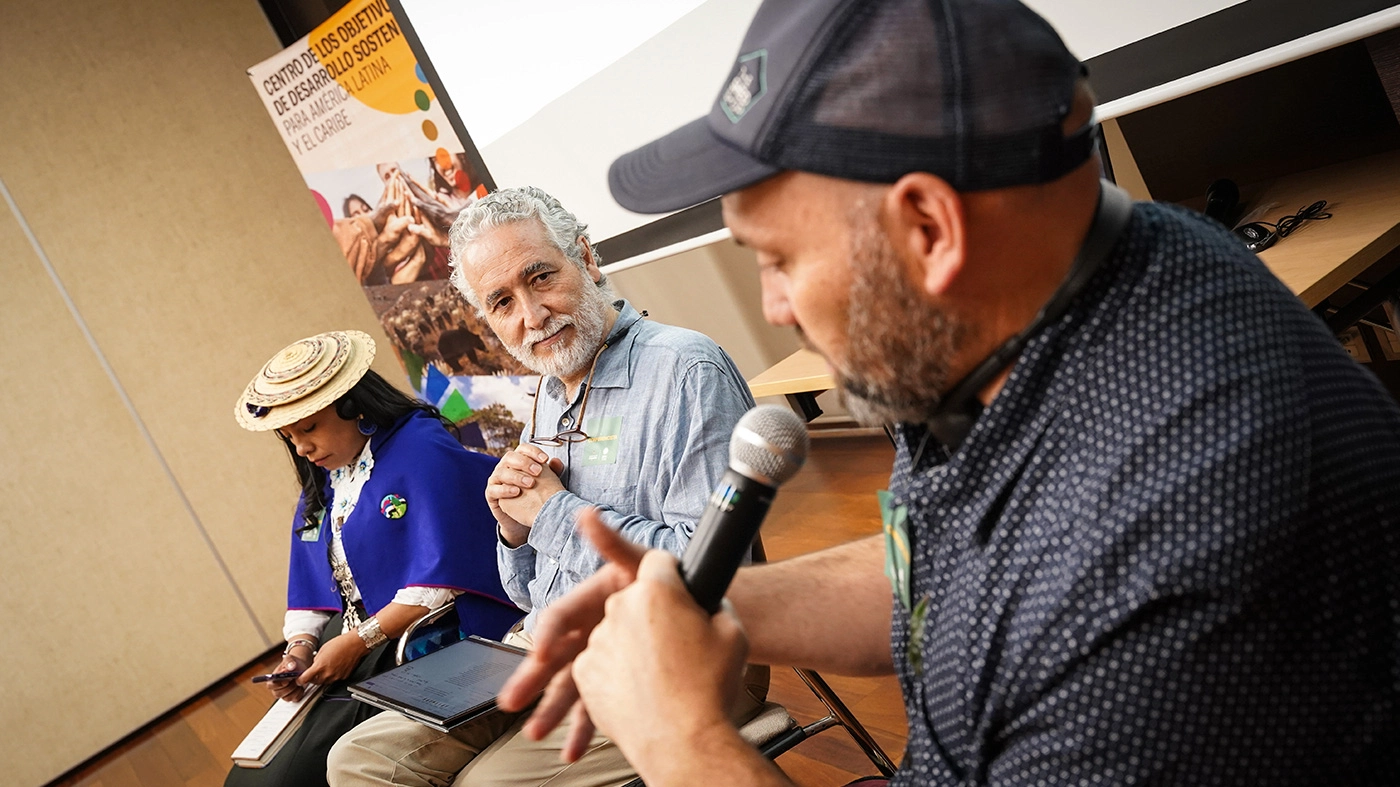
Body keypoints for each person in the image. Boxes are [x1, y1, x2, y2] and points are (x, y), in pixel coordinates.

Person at [495, 1, 1400, 785]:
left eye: (780, 260)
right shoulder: (1069, 290)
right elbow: (955, 567)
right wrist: (714, 604)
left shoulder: (1176, 574)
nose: (773, 309)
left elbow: (1065, 589)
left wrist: (681, 741)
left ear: (929, 227)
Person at [327, 187, 763, 787]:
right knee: (356, 761)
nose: (531, 317)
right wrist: (512, 530)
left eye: (540, 278)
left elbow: (712, 571)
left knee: (482, 784)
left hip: (677, 657)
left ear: (586, 258)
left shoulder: (686, 369)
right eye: (502, 302)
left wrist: (554, 512)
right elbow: (531, 591)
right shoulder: (550, 394)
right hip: (544, 647)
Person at [229, 330, 521, 787]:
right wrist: (298, 650)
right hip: (351, 639)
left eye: (309, 428)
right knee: (252, 779)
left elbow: (442, 577)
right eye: (290, 437)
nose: (302, 448)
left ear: (353, 405)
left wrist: (356, 642)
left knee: (289, 779)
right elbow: (310, 574)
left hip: (425, 637)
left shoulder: (422, 452)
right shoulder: (326, 478)